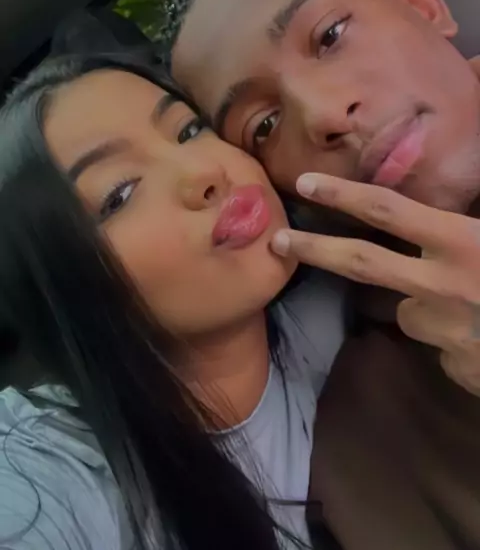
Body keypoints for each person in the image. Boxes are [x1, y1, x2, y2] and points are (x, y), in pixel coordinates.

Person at [161, 0, 480, 550]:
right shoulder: (368, 446)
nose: (325, 115)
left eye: (330, 36)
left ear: (422, 6)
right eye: (264, 125)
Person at [0, 52, 345, 550]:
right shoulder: (45, 469)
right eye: (120, 194)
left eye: (188, 131)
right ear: (60, 286)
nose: (203, 171)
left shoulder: (356, 305)